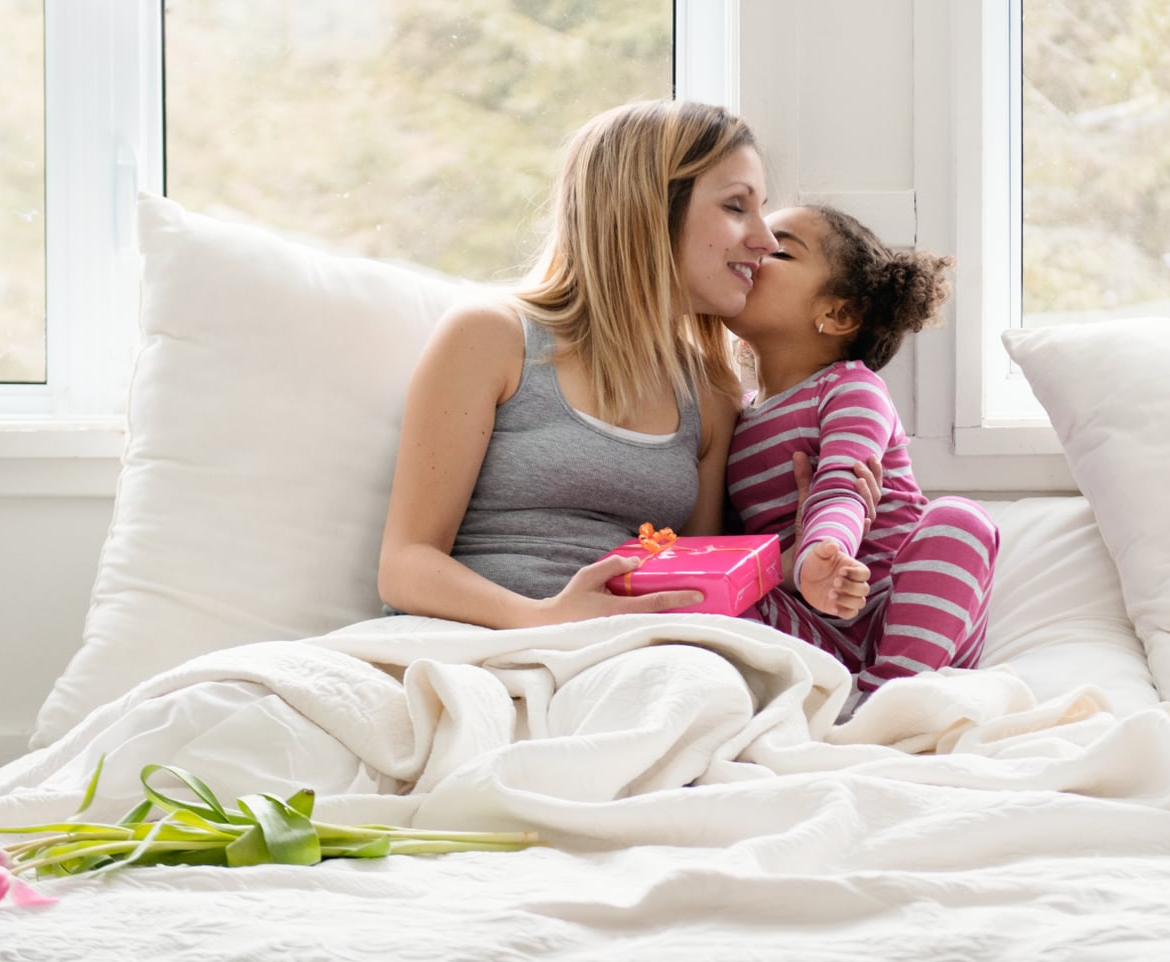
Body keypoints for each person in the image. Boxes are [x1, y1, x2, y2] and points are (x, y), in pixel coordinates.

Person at [376, 99, 874, 626]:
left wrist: (791, 558)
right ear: (649, 208)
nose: (764, 239)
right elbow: (405, 566)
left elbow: (696, 587)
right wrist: (548, 619)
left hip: (625, 655)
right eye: (735, 206)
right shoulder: (491, 336)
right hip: (473, 636)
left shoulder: (709, 393)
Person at [725, 204, 1001, 703]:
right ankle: (847, 695)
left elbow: (842, 487)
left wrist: (822, 554)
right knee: (706, 607)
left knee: (960, 520)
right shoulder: (734, 415)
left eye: (781, 248)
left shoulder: (850, 388)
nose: (758, 247)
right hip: (812, 623)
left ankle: (890, 697)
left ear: (836, 314)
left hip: (900, 609)